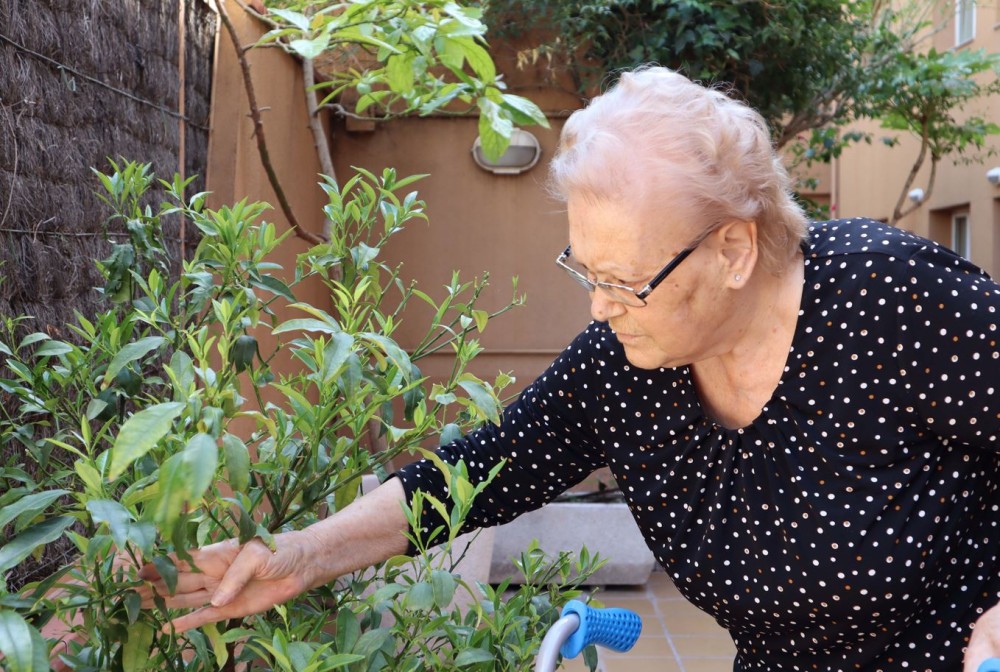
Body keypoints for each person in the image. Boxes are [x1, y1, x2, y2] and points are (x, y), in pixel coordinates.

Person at [141, 66, 1000, 671]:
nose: (598, 306)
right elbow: (480, 470)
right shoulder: (625, 369)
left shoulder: (896, 303)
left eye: (625, 282)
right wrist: (299, 556)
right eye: (586, 272)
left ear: (735, 249)